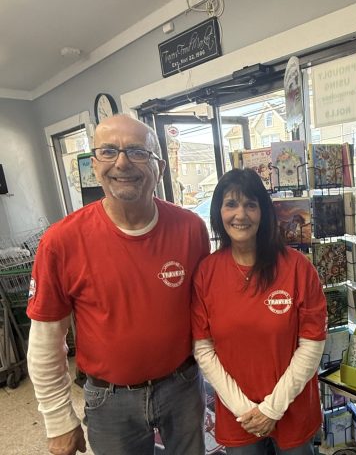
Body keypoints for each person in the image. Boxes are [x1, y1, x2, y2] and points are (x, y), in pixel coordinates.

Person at [27, 114, 211, 455]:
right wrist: (58, 420)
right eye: (109, 151)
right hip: (109, 400)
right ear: (94, 165)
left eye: (138, 152)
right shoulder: (61, 241)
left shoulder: (191, 230)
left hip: (183, 388)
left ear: (160, 167)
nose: (122, 163)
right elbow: (45, 341)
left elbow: (208, 313)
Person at [192, 168, 327, 454]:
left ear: (264, 212)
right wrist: (247, 411)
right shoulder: (206, 272)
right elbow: (204, 349)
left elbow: (312, 344)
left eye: (250, 205)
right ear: (218, 212)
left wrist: (272, 408)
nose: (240, 215)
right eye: (231, 204)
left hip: (292, 409)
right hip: (239, 415)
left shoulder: (297, 268)